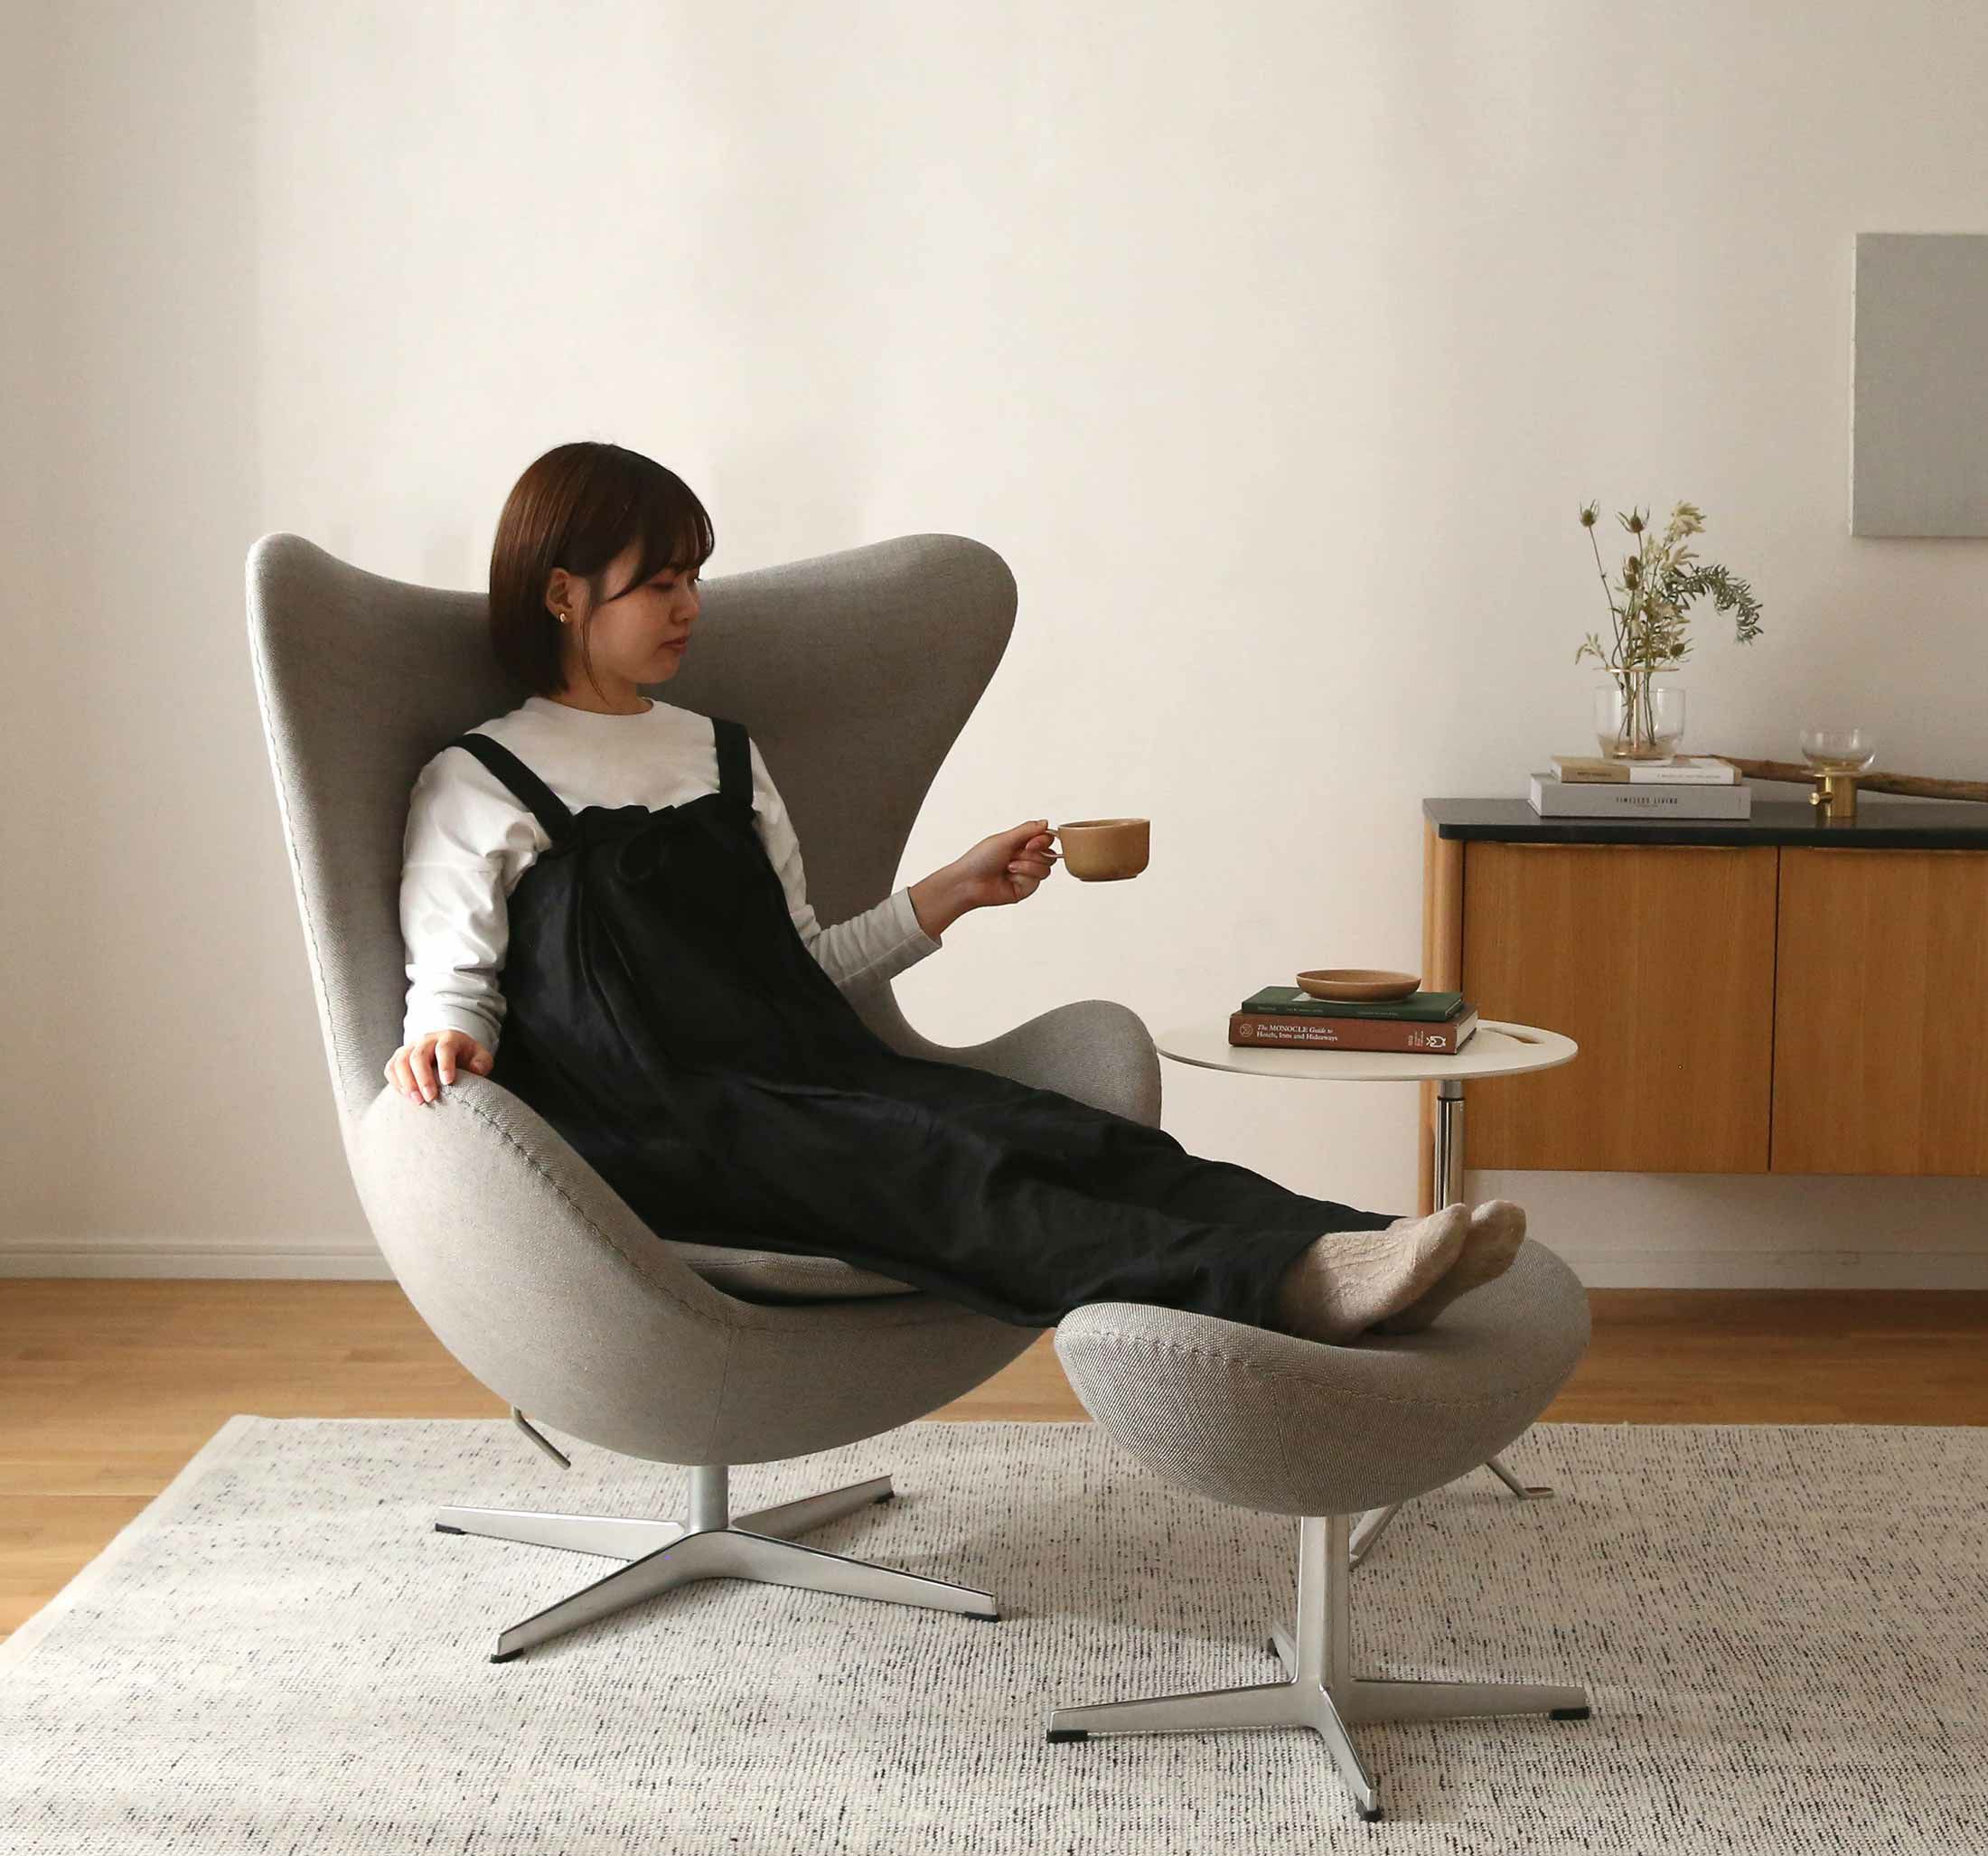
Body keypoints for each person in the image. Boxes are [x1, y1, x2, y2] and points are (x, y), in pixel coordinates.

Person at [388, 441, 1527, 1345]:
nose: (690, 605)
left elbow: (799, 972)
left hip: (815, 1081)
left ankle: (1367, 1244)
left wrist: (953, 891)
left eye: (694, 577)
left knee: (1052, 1131)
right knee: (952, 1166)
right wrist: (442, 1034)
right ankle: (1287, 1283)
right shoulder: (481, 780)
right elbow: (453, 982)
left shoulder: (720, 753)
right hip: (663, 1131)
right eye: (660, 582)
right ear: (562, 593)